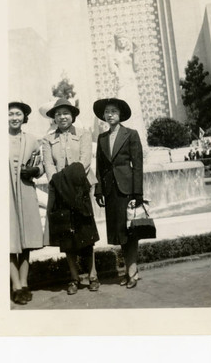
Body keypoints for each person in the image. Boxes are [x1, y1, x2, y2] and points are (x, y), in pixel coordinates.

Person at [42, 98, 100, 295]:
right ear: (54, 118)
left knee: (86, 233)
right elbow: (49, 165)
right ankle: (74, 278)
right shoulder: (48, 140)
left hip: (79, 188)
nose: (62, 117)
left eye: (65, 113)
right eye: (58, 114)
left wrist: (69, 179)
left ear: (72, 115)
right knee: (66, 236)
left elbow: (85, 160)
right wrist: (57, 181)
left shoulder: (83, 134)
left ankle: (92, 276)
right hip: (59, 191)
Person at [93, 97, 143, 289]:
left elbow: (138, 165)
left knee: (130, 231)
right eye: (107, 112)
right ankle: (129, 271)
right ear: (104, 116)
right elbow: (99, 165)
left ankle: (133, 271)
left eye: (114, 111)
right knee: (120, 232)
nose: (110, 114)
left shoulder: (131, 134)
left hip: (127, 189)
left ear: (120, 114)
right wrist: (99, 190)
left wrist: (137, 192)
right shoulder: (102, 138)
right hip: (111, 190)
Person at [9, 101, 44, 305]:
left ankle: (24, 284)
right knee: (10, 240)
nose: (14, 117)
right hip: (5, 194)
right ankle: (15, 286)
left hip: (25, 190)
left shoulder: (31, 140)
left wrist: (35, 171)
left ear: (24, 118)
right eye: (11, 114)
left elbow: (40, 164)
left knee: (26, 241)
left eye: (18, 114)